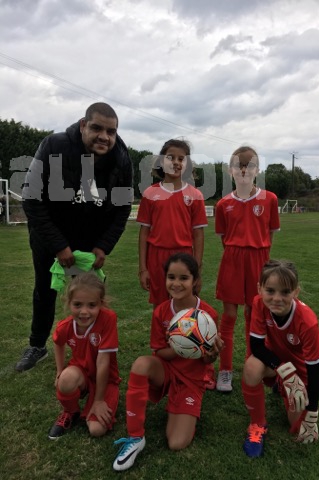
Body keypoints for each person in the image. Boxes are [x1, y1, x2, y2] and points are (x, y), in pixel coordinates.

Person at [16, 102, 132, 372]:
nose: (104, 136)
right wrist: (58, 245)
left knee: (91, 294)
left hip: (90, 239)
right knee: (44, 289)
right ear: (83, 125)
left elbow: (123, 207)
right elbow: (31, 200)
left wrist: (104, 246)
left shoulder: (122, 157)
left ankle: (94, 344)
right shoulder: (54, 146)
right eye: (97, 128)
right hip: (49, 233)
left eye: (111, 131)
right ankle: (37, 345)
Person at [112, 253, 224, 472]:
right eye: (171, 277)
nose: (177, 283)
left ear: (195, 281)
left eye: (184, 278)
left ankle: (186, 400)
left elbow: (207, 358)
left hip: (191, 378)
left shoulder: (207, 315)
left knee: (176, 443)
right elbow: (159, 352)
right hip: (166, 370)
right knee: (141, 365)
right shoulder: (161, 311)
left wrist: (210, 354)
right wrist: (181, 343)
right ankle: (135, 437)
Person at [136, 139, 215, 390]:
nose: (176, 162)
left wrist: (197, 269)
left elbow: (199, 234)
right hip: (158, 259)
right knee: (162, 311)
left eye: (182, 158)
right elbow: (144, 233)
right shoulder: (151, 193)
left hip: (184, 259)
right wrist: (143, 267)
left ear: (187, 163)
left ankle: (204, 368)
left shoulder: (195, 195)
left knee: (191, 312)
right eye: (171, 157)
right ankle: (167, 361)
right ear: (162, 161)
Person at [215, 146, 280, 392]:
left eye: (250, 165)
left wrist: (259, 257)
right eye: (239, 166)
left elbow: (270, 235)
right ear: (231, 170)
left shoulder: (270, 199)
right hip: (232, 260)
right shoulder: (223, 204)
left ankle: (252, 366)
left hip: (259, 260)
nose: (244, 170)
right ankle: (225, 371)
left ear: (257, 170)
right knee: (229, 316)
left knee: (254, 317)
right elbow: (224, 238)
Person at [241, 259, 319, 457]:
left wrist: (311, 415)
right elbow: (257, 347)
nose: (277, 298)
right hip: (275, 362)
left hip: (300, 369)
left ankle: (282, 385)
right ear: (260, 289)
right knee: (251, 367)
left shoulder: (307, 321)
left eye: (285, 292)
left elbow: (315, 371)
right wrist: (286, 372)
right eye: (270, 291)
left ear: (296, 292)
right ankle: (257, 425)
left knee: (296, 422)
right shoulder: (258, 303)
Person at [48, 272, 120, 439]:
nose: (84, 312)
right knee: (65, 380)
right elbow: (58, 343)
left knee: (96, 430)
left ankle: (99, 398)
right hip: (82, 373)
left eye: (92, 305)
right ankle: (71, 412)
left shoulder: (108, 319)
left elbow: (103, 362)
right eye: (78, 305)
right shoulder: (66, 326)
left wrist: (99, 400)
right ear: (69, 303)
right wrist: (59, 371)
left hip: (106, 378)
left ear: (101, 304)